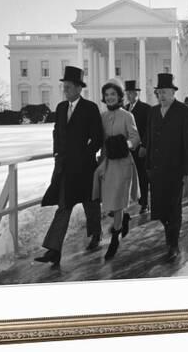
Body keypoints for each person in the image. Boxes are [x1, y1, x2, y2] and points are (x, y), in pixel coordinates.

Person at [34, 66, 103, 266]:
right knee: (63, 207)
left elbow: (97, 138)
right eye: (64, 86)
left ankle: (96, 234)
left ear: (79, 88)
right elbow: (57, 132)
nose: (65, 90)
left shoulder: (90, 108)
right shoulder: (62, 108)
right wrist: (57, 153)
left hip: (85, 168)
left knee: (91, 205)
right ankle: (53, 250)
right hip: (65, 169)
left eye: (69, 86)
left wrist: (85, 155)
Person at [145, 73, 188, 261]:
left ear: (173, 93)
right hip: (157, 170)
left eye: (165, 92)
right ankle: (169, 233)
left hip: (176, 170)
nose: (162, 96)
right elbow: (149, 140)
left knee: (174, 208)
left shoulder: (182, 111)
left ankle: (173, 244)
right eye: (159, 92)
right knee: (160, 209)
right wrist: (148, 166)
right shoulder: (153, 112)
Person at [92, 79, 141, 260]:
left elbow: (135, 139)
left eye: (113, 94)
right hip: (106, 163)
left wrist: (123, 144)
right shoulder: (102, 117)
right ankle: (123, 219)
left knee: (118, 200)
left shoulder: (127, 116)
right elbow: (97, 138)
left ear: (119, 96)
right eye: (107, 95)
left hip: (122, 163)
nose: (110, 97)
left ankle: (115, 237)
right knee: (110, 201)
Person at [124, 80, 151, 214]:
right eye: (127, 93)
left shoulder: (146, 108)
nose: (129, 95)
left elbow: (148, 129)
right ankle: (126, 203)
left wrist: (144, 146)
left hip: (140, 149)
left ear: (136, 93)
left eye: (131, 93)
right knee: (126, 176)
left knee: (142, 176)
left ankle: (145, 202)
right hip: (128, 149)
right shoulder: (124, 109)